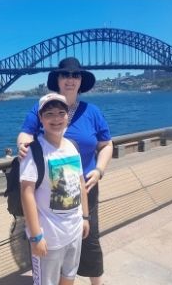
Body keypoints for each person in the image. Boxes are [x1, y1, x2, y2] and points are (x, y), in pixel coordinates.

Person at [17, 58, 113, 285]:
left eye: (75, 75)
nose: (70, 79)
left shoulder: (92, 111)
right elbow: (26, 133)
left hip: (85, 187)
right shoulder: (41, 107)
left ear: (81, 81)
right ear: (58, 80)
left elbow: (107, 144)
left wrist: (99, 170)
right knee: (51, 253)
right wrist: (23, 145)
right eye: (65, 75)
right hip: (50, 193)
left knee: (89, 242)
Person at [20, 92, 90, 285]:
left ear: (68, 116)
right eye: (49, 114)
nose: (56, 118)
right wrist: (36, 236)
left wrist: (85, 217)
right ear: (41, 119)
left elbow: (80, 183)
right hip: (49, 237)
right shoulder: (33, 151)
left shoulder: (72, 146)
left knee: (69, 275)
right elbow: (26, 193)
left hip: (74, 230)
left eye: (61, 113)